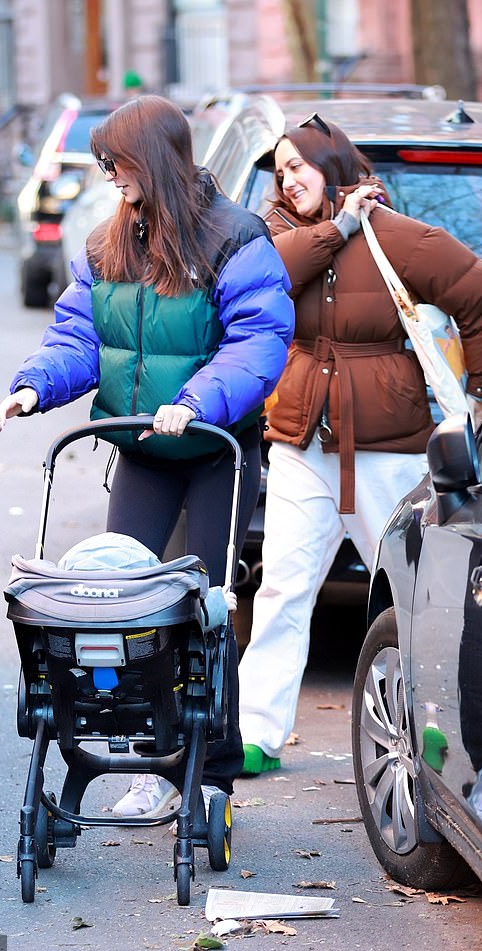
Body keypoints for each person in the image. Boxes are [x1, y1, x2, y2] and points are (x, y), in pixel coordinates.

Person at [0, 95, 295, 816]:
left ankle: (211, 775)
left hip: (217, 444)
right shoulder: (107, 244)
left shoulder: (234, 236)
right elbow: (79, 338)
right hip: (143, 445)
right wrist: (34, 387)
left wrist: (195, 399)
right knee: (121, 603)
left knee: (208, 609)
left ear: (154, 158)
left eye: (117, 162)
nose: (109, 176)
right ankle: (149, 760)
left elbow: (260, 341)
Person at [238, 112, 482, 777]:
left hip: (388, 449)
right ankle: (255, 734)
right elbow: (268, 278)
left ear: (334, 165)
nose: (287, 180)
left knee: (416, 601)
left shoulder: (400, 238)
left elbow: (475, 294)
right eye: (280, 169)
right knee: (283, 590)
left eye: (299, 165)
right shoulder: (273, 238)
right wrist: (338, 226)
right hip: (300, 446)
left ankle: (438, 737)